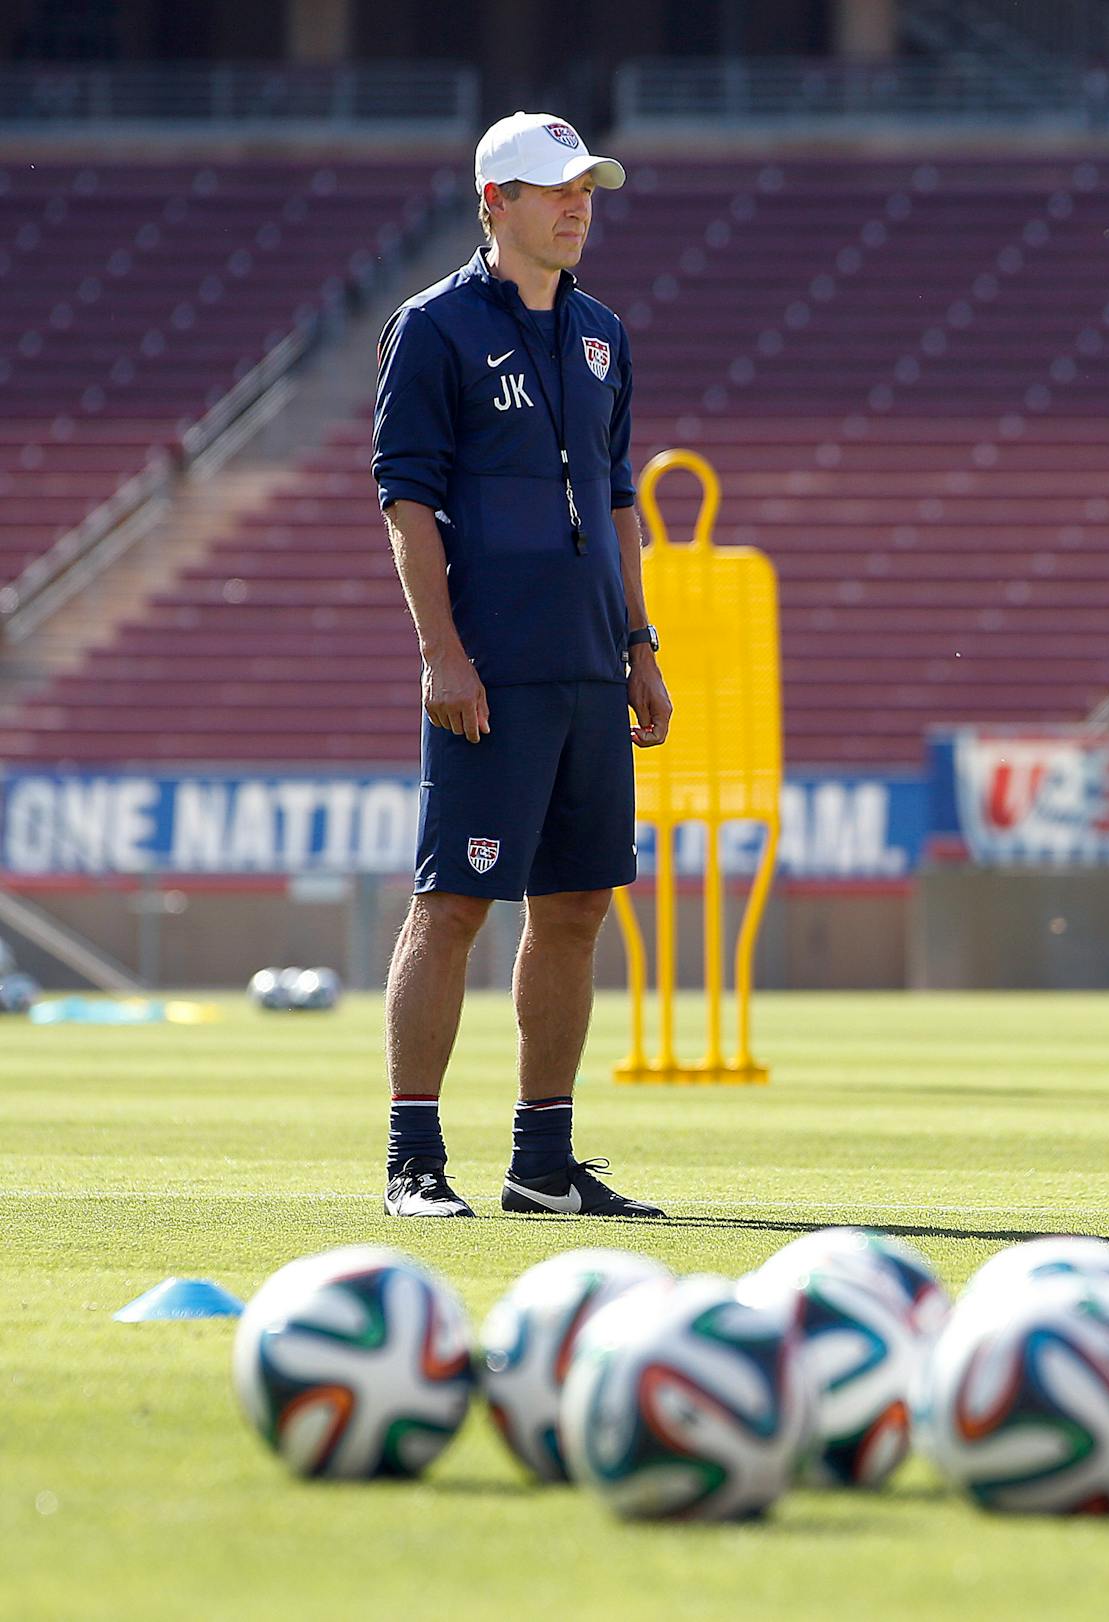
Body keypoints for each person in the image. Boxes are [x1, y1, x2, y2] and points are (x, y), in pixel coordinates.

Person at [371, 112, 671, 1218]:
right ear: (496, 201)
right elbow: (406, 500)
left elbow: (618, 498)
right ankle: (412, 1160)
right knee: (453, 903)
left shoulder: (601, 332)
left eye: (586, 186)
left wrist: (640, 644)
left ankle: (542, 1164)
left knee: (578, 905)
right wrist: (442, 654)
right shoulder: (432, 327)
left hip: (592, 663)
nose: (579, 204)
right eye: (556, 188)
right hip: (490, 671)